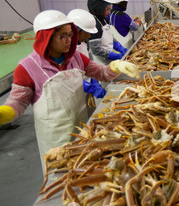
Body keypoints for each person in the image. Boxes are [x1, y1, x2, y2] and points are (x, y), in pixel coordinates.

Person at [0, 10, 140, 172]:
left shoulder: (76, 58)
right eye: (63, 36)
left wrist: (116, 66)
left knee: (86, 171)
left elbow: (102, 73)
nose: (69, 40)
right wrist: (6, 112)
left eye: (70, 35)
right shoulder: (27, 67)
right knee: (62, 175)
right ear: (46, 37)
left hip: (83, 129)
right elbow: (18, 102)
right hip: (55, 138)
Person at [67, 8, 107, 103]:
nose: (89, 36)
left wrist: (93, 79)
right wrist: (86, 86)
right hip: (70, 97)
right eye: (86, 33)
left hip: (85, 89)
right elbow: (64, 78)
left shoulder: (83, 43)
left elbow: (89, 63)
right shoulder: (62, 51)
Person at [87, 0, 128, 65]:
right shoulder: (93, 23)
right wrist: (115, 56)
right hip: (100, 64)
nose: (109, 12)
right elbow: (96, 50)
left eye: (110, 9)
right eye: (107, 9)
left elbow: (109, 36)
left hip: (108, 62)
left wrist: (118, 46)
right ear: (99, 8)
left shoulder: (104, 19)